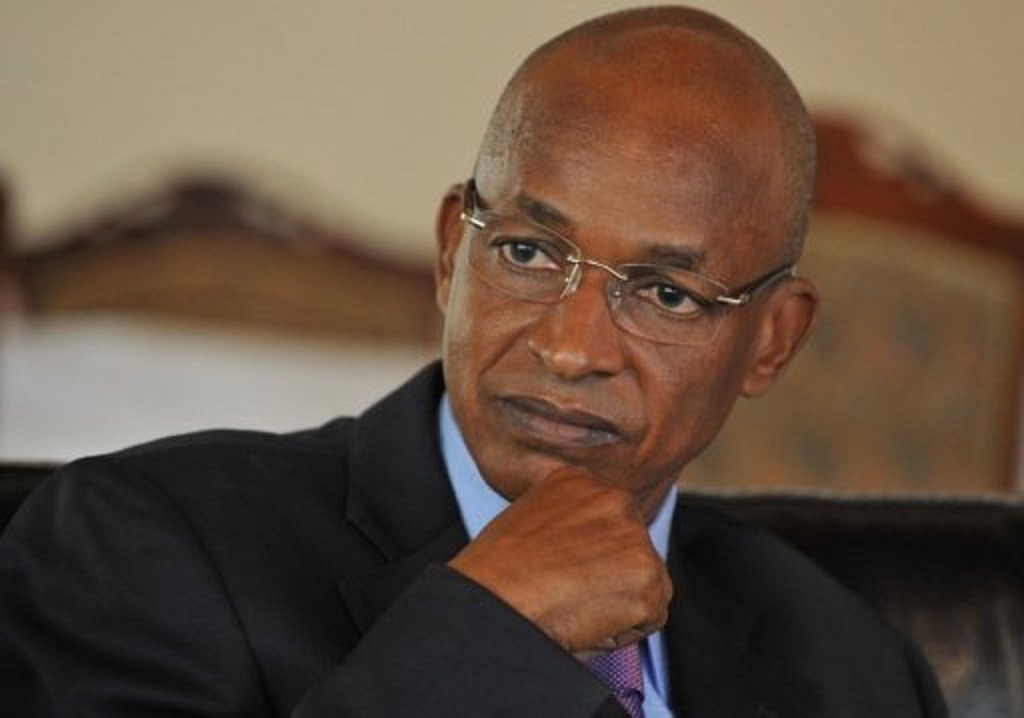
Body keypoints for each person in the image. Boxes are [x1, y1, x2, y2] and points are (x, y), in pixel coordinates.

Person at [0, 6, 947, 717]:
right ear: (454, 251)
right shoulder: (140, 549)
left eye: (665, 293)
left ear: (772, 340)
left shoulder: (858, 668)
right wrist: (486, 635)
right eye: (528, 253)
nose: (570, 348)